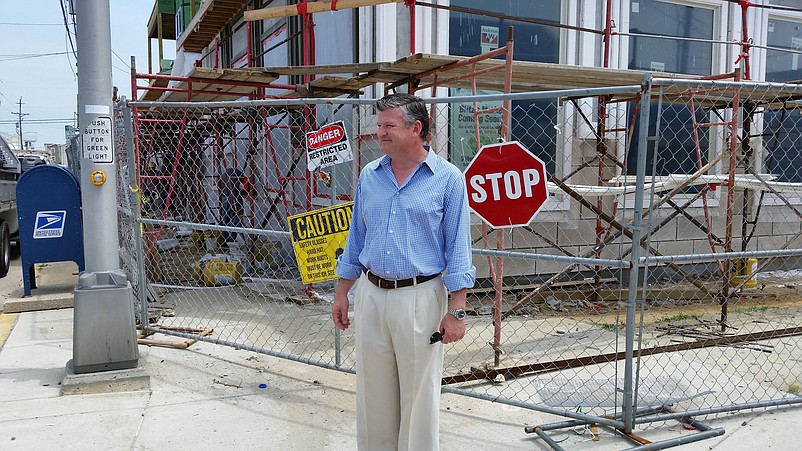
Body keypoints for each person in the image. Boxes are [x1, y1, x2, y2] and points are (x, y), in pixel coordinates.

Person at [331, 93, 476, 450]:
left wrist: (456, 310)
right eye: (378, 126)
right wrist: (341, 292)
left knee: (419, 396)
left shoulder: (448, 180)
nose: (379, 133)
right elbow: (356, 237)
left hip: (421, 298)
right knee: (373, 392)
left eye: (388, 126)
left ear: (417, 128)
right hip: (372, 294)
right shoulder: (370, 175)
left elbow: (459, 248)